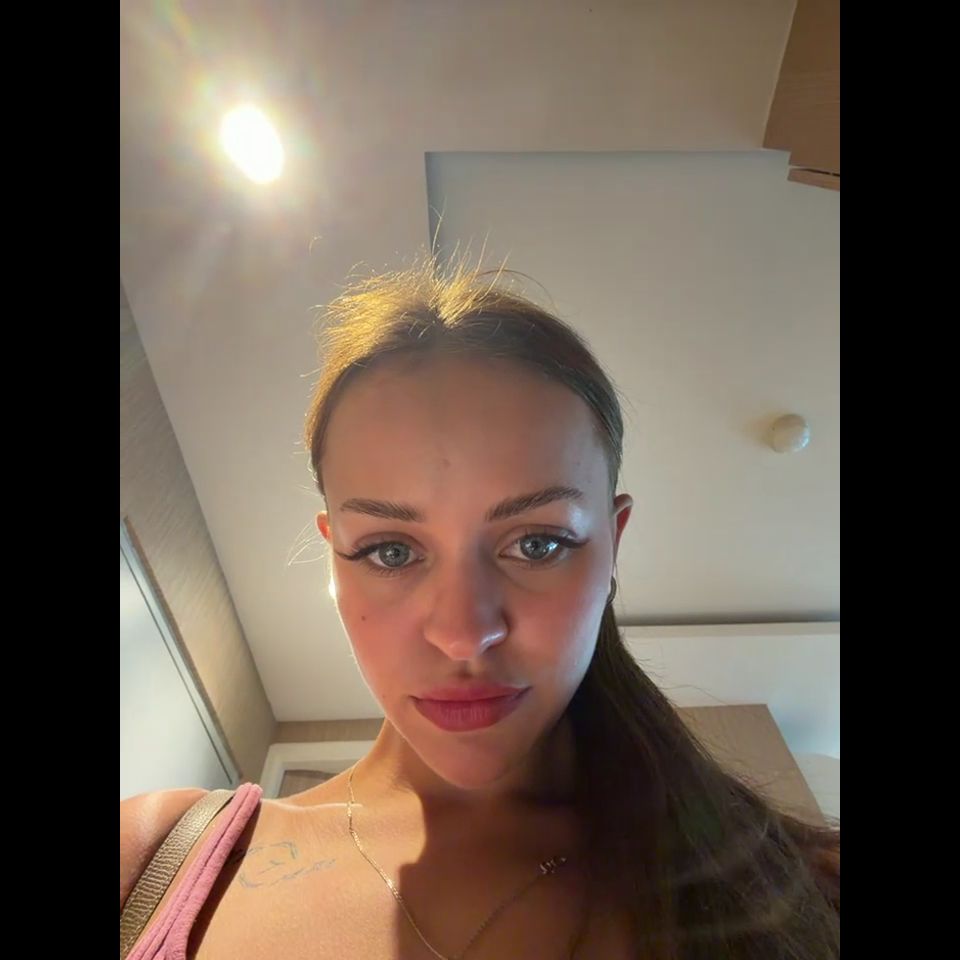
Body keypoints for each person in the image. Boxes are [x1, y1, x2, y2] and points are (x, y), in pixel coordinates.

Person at [120, 257, 840, 959]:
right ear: (334, 557)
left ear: (612, 544)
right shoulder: (157, 856)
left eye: (537, 543)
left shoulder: (804, 892)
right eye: (391, 551)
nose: (464, 634)